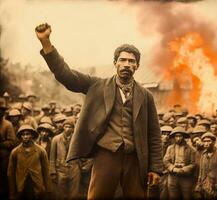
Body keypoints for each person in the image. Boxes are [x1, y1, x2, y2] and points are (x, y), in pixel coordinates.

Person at [35, 23, 163, 199]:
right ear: (115, 63)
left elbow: (154, 134)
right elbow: (66, 75)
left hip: (135, 158)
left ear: (137, 66)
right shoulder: (97, 85)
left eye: (131, 61)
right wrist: (46, 43)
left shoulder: (146, 95)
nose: (127, 64)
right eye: (123, 60)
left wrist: (155, 168)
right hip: (106, 155)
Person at [8, 124, 51, 200]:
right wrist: (12, 191)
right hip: (21, 185)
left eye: (28, 134)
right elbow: (11, 172)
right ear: (20, 136)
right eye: (23, 134)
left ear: (32, 135)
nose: (25, 136)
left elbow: (46, 171)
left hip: (36, 184)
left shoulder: (40, 151)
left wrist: (47, 190)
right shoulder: (15, 152)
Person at [163, 126, 196, 199]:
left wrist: (184, 169)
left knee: (187, 196)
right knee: (173, 196)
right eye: (176, 136)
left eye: (180, 136)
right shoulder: (170, 148)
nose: (178, 138)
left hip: (185, 177)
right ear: (174, 137)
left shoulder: (191, 149)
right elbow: (165, 161)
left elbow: (193, 163)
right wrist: (173, 168)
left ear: (183, 137)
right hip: (173, 177)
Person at [0, 98, 17, 200]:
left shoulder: (7, 124)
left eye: (1, 109)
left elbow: (12, 143)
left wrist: (1, 143)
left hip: (4, 157)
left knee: (4, 179)